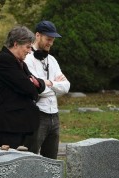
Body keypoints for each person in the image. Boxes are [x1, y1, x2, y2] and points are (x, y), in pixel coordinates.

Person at [0, 25, 47, 149]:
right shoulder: (4, 60)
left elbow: (39, 85)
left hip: (19, 124)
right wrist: (33, 84)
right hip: (8, 125)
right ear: (16, 44)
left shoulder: (20, 62)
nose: (30, 51)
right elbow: (29, 88)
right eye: (27, 47)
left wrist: (37, 84)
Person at [24, 20, 70, 159]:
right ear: (37, 35)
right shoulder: (28, 59)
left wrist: (48, 83)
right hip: (37, 114)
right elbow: (36, 89)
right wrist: (55, 85)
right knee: (30, 156)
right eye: (48, 39)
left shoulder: (52, 60)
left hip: (54, 116)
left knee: (51, 159)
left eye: (53, 40)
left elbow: (66, 86)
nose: (50, 43)